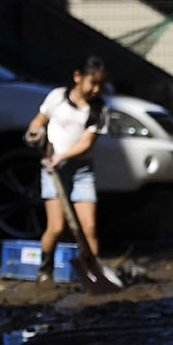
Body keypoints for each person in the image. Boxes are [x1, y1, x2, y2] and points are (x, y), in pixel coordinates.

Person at [24, 56, 111, 283]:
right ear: (77, 77)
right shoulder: (57, 98)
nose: (96, 89)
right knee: (56, 227)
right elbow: (38, 121)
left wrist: (61, 156)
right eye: (92, 82)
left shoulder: (99, 111)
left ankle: (95, 275)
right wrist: (34, 133)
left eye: (101, 84)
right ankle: (45, 271)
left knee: (89, 227)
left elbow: (85, 143)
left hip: (81, 171)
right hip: (53, 172)